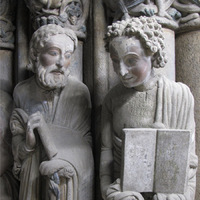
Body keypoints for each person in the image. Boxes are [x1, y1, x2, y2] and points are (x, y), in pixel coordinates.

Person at [100, 16, 198, 200]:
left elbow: (190, 163)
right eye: (115, 61)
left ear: (152, 54)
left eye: (131, 61)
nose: (121, 71)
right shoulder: (112, 99)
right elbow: (107, 156)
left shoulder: (179, 95)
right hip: (125, 193)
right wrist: (107, 192)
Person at [10, 24, 94, 200]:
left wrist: (62, 158)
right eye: (54, 53)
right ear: (35, 54)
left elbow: (84, 144)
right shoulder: (21, 91)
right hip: (31, 181)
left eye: (68, 55)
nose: (61, 63)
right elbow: (15, 144)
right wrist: (28, 144)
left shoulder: (79, 92)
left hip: (66, 181)